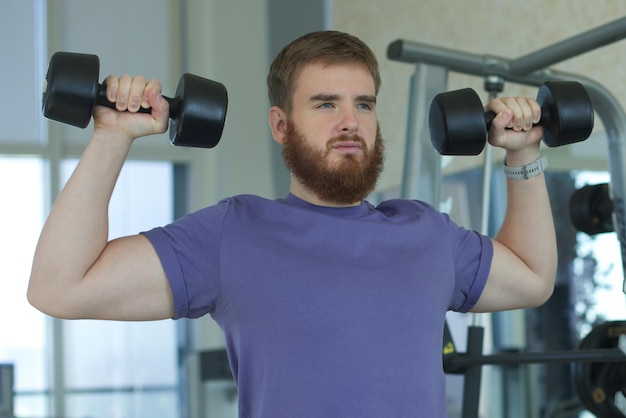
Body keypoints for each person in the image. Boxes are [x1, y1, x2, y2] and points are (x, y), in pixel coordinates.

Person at [28, 30, 557, 417]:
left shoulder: (426, 234)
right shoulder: (232, 234)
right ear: (281, 125)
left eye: (364, 105)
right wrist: (113, 135)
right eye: (326, 103)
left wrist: (524, 152)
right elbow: (61, 288)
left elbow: (533, 277)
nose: (350, 121)